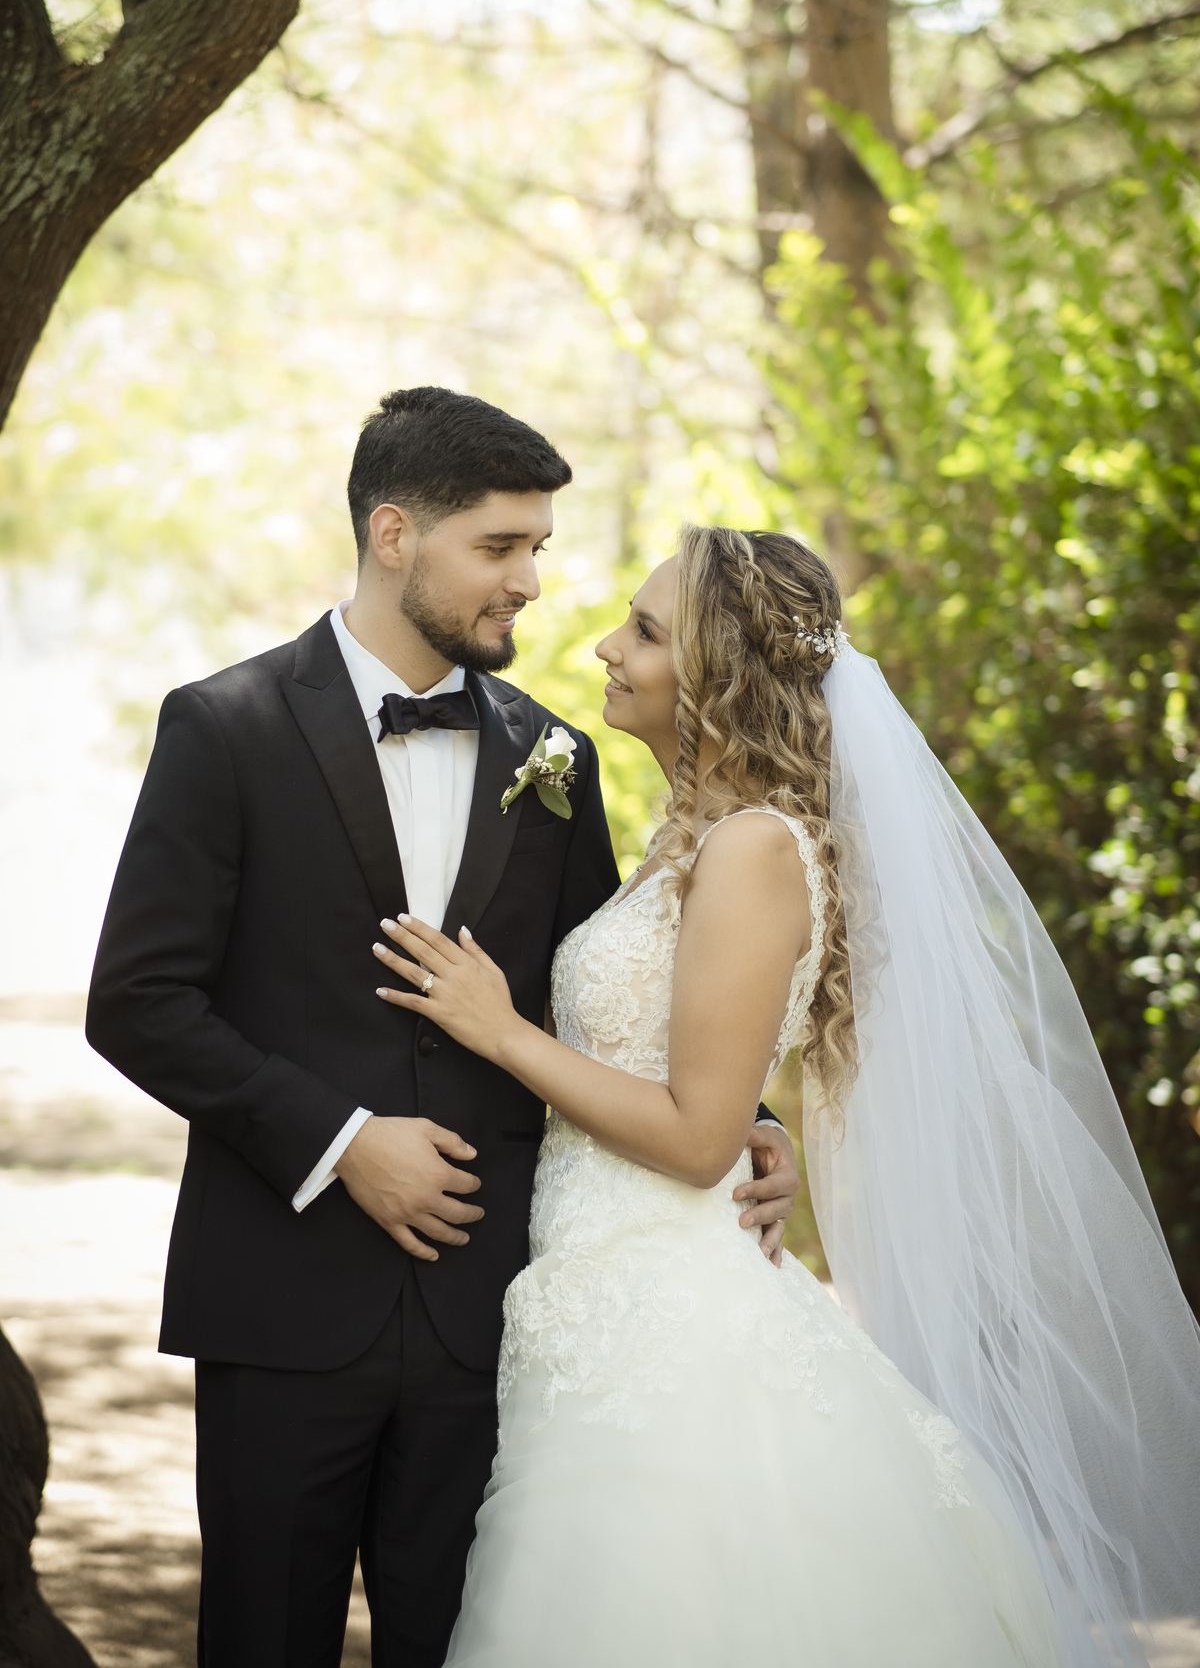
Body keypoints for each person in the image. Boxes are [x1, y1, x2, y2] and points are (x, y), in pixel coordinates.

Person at [371, 525, 1200, 1668]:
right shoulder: (694, 841)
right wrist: (763, 1125)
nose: (608, 647)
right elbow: (693, 1073)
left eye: (646, 632)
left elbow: (694, 1134)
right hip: (595, 1295)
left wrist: (502, 1031)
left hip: (671, 1324)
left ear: (720, 676)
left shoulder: (754, 849)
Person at [84, 396, 802, 1668]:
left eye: (538, 547)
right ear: (395, 535)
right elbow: (139, 1002)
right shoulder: (225, 726)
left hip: (499, 1314)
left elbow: (597, 999)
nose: (531, 582)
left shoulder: (557, 756)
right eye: (500, 547)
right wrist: (341, 1142)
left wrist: (746, 1122)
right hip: (281, 1301)